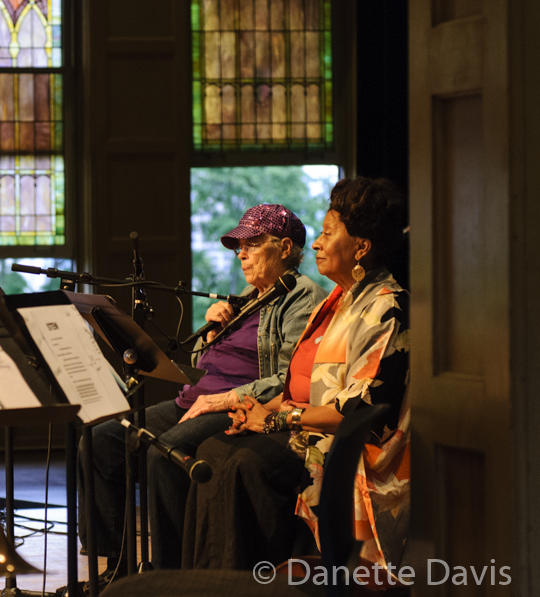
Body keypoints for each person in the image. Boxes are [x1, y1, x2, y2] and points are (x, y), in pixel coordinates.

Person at [64, 205, 326, 595]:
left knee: (165, 455)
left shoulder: (301, 298)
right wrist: (210, 332)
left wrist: (226, 398)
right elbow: (205, 365)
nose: (242, 253)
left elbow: (287, 378)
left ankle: (172, 578)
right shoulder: (246, 298)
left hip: (238, 406)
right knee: (98, 442)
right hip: (193, 399)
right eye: (239, 246)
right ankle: (117, 566)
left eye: (252, 244)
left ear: (285, 247)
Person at [181, 177, 410, 579]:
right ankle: (207, 583)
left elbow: (358, 412)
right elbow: (297, 385)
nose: (317, 244)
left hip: (348, 450)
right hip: (304, 426)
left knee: (247, 465)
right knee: (214, 452)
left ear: (361, 247)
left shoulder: (384, 308)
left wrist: (272, 420)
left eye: (326, 234)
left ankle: (251, 585)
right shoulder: (341, 299)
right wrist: (256, 407)